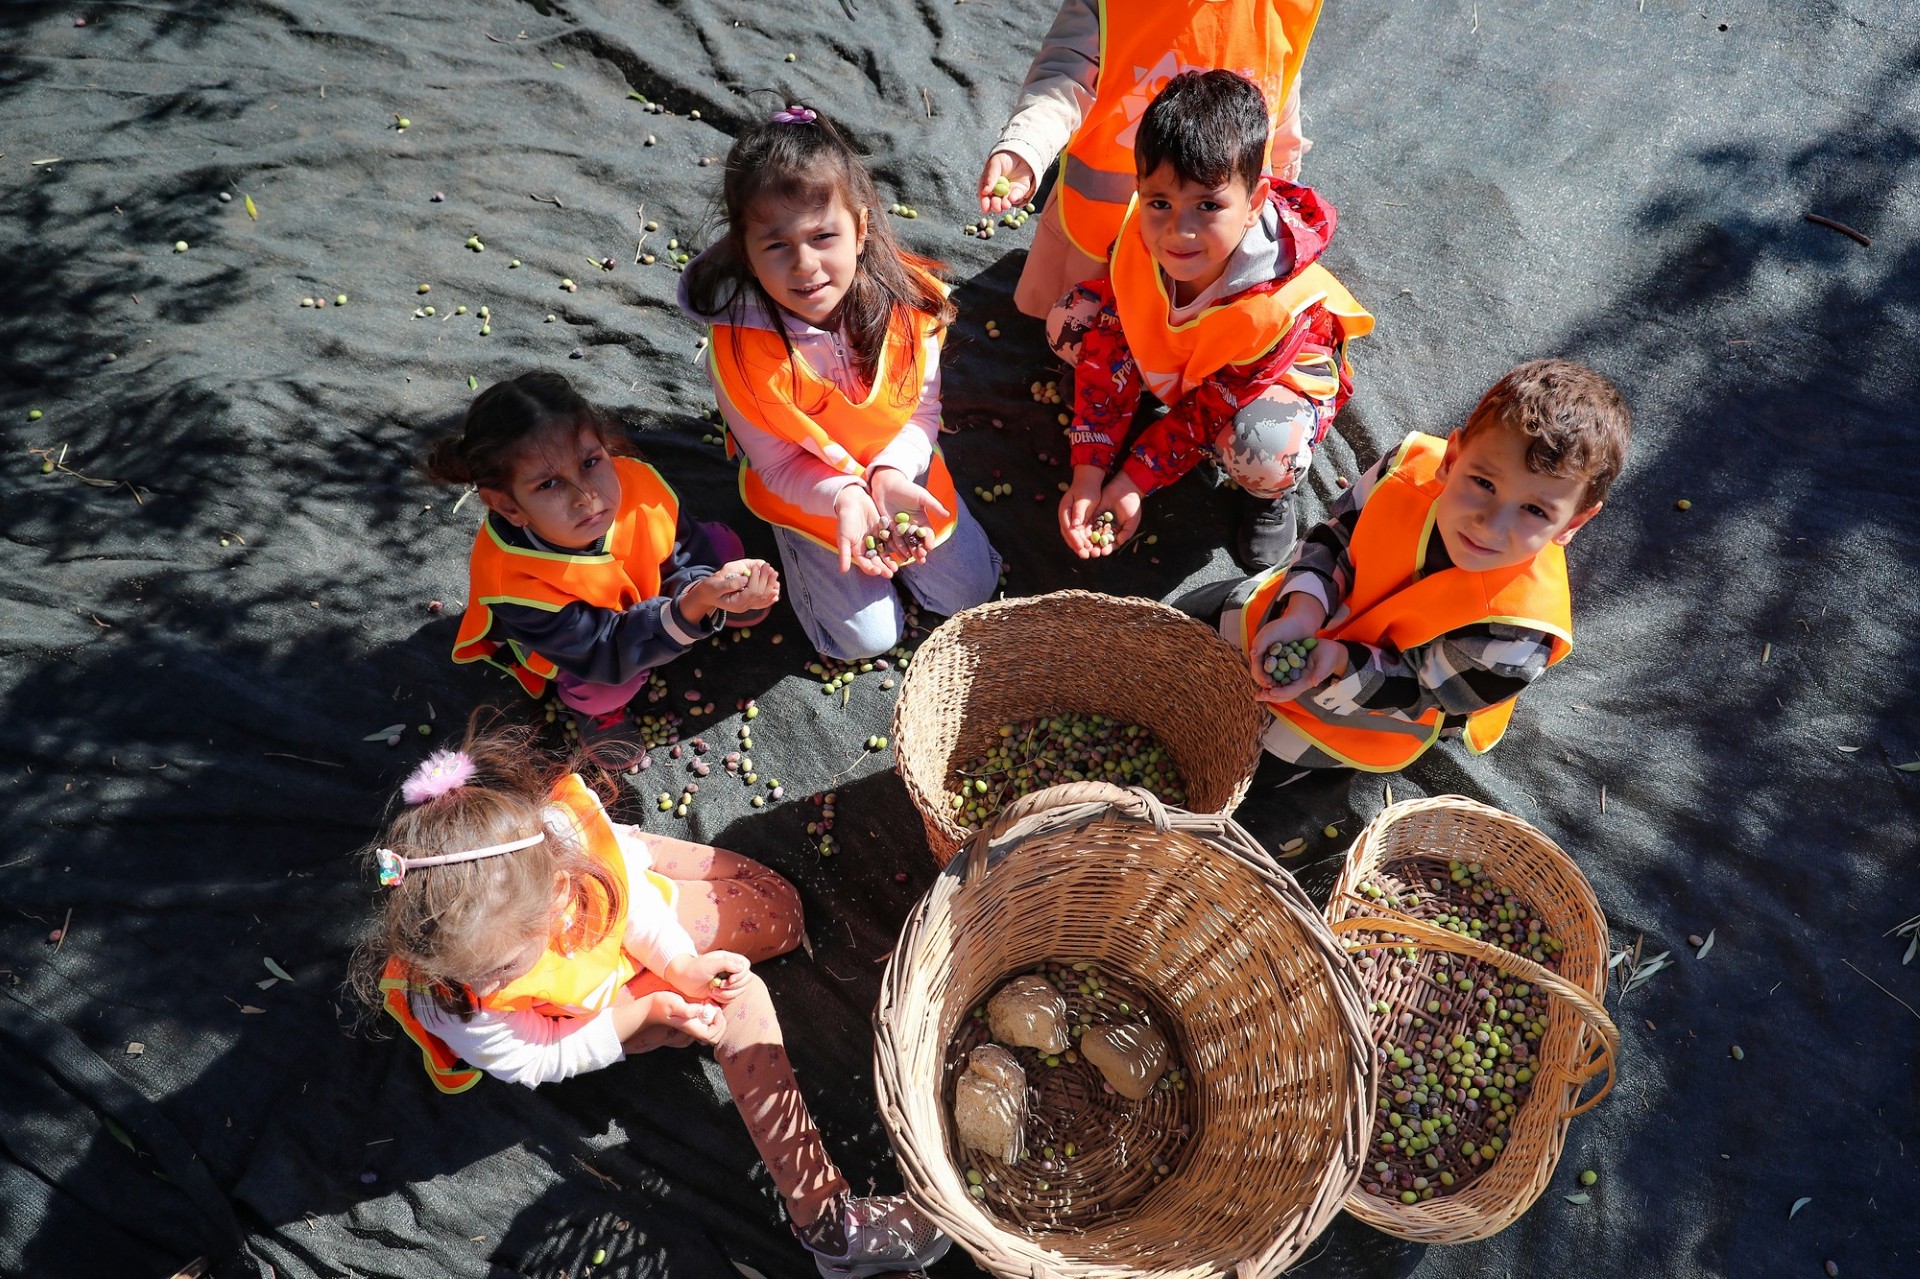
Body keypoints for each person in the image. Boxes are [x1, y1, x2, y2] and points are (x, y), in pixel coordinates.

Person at [352, 725, 952, 1279]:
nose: (487, 984)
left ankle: (629, 850)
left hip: (614, 904)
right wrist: (644, 1015)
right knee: (752, 977)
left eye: (505, 966)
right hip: (593, 1010)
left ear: (561, 891)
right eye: (479, 975)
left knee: (766, 906)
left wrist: (679, 965)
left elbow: (629, 904)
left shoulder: (562, 846)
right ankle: (828, 1223)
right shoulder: (450, 996)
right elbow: (534, 1056)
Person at [680, 104, 1000, 662]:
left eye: (824, 235)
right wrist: (847, 496)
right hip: (815, 496)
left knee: (969, 593)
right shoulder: (738, 356)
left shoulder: (910, 308)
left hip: (899, 471)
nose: (805, 266)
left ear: (861, 229)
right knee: (867, 641)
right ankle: (801, 547)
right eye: (777, 245)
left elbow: (921, 412)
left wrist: (892, 476)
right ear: (747, 256)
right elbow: (778, 463)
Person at [1223, 359, 1632, 770]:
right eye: (1483, 483)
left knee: (1254, 751)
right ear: (1452, 460)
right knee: (1205, 626)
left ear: (1573, 524)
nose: (1489, 525)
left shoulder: (1522, 637)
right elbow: (1335, 537)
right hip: (1310, 618)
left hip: (1374, 699)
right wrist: (1302, 612)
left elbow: (1418, 687)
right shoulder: (1406, 469)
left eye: (1534, 511)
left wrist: (1336, 660)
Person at [1048, 70, 1373, 569]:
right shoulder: (1139, 238)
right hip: (1184, 356)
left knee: (1262, 450)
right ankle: (1133, 407)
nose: (1180, 231)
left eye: (1208, 206)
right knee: (1072, 321)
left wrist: (1134, 479)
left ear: (1254, 203)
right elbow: (1109, 336)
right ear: (1141, 190)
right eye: (1160, 203)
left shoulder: (1273, 308)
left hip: (1258, 383)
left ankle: (1268, 497)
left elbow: (1212, 408)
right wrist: (1089, 469)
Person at [426, 371, 779, 759]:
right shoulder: (516, 581)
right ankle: (599, 713)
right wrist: (693, 606)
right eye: (548, 484)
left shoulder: (639, 485)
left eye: (591, 462)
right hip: (587, 650)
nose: (587, 497)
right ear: (507, 506)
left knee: (722, 545)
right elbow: (604, 650)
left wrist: (710, 589)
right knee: (605, 686)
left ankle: (716, 607)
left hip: (646, 596)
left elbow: (685, 547)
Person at [977, 0, 1325, 319]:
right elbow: (1064, 76)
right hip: (1110, 228)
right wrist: (1027, 145)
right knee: (1088, 326)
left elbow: (1280, 81)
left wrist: (1283, 163)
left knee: (1199, 333)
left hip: (1221, 240)